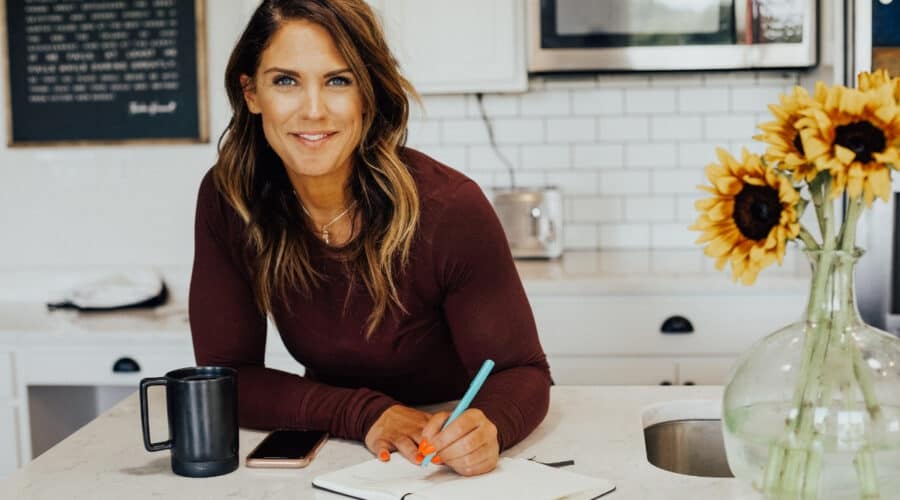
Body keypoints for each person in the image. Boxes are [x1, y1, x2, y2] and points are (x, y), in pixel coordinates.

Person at [189, 0, 551, 477]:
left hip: (442, 440)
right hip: (336, 438)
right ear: (251, 92)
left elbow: (521, 372)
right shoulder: (230, 198)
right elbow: (226, 378)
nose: (313, 110)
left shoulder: (450, 208)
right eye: (285, 81)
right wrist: (364, 413)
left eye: (339, 80)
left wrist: (490, 426)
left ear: (368, 94)